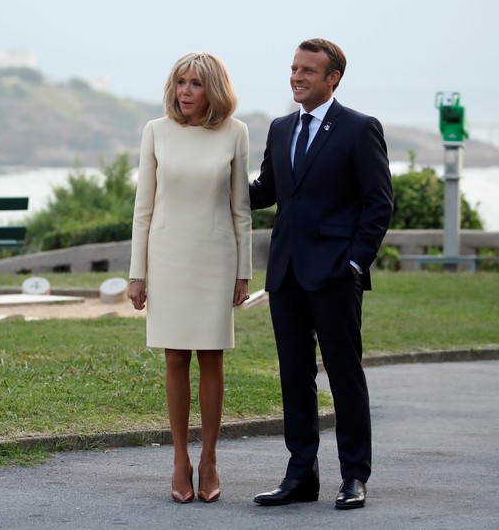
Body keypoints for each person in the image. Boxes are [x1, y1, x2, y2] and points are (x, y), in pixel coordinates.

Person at [249, 38, 394, 510]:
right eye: (294, 68)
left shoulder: (358, 128)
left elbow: (378, 203)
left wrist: (354, 262)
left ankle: (354, 476)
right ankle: (300, 475)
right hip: (286, 272)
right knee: (294, 376)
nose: (297, 76)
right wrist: (212, 172)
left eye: (308, 70)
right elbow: (266, 191)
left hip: (335, 274)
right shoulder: (279, 127)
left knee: (344, 375)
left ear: (333, 78)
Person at [128, 52, 252, 504]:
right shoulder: (155, 131)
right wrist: (137, 273)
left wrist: (244, 272)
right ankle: (180, 458)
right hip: (167, 257)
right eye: (180, 82)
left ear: (213, 90)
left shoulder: (235, 133)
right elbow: (143, 208)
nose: (185, 91)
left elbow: (241, 210)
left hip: (216, 257)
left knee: (212, 359)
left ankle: (210, 458)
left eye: (196, 84)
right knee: (175, 358)